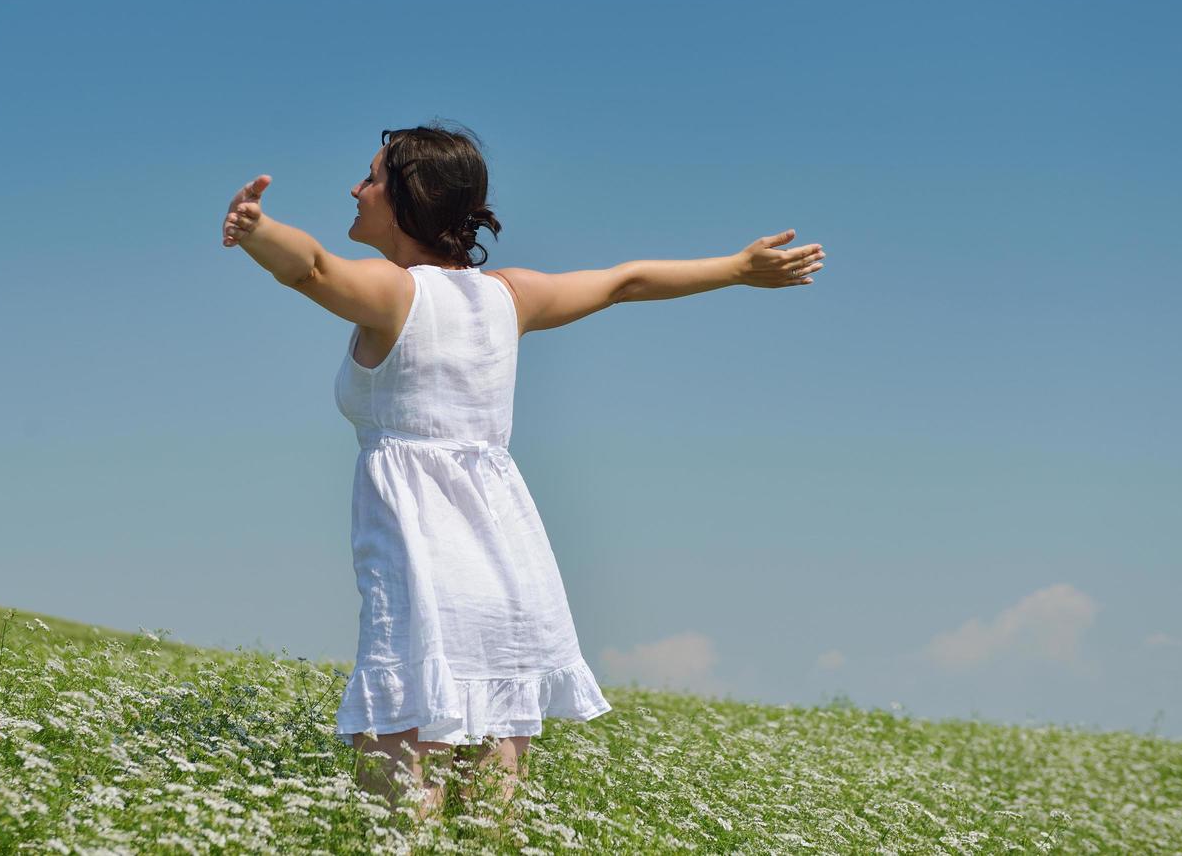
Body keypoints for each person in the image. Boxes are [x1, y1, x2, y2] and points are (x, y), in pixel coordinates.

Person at [221, 121, 826, 819]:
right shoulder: (508, 297)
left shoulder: (394, 294)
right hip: (507, 557)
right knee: (493, 777)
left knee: (403, 765)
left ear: (407, 197)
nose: (355, 190)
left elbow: (313, 268)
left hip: (423, 557)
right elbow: (624, 282)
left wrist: (257, 229)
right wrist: (736, 268)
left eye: (371, 177)